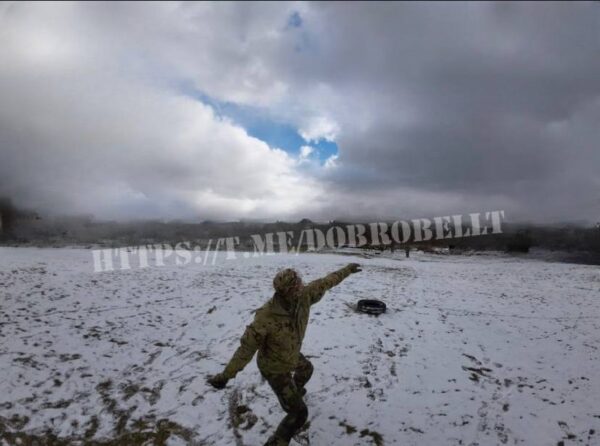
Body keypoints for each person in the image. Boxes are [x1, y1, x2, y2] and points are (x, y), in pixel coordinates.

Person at [207, 263, 362, 446]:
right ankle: (276, 442)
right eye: (296, 285)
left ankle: (293, 394)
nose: (301, 287)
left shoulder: (305, 296)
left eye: (300, 283)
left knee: (306, 370)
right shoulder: (266, 317)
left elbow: (327, 281)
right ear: (286, 291)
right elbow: (245, 350)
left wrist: (348, 270)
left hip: (291, 355)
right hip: (274, 368)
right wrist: (225, 376)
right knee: (299, 414)